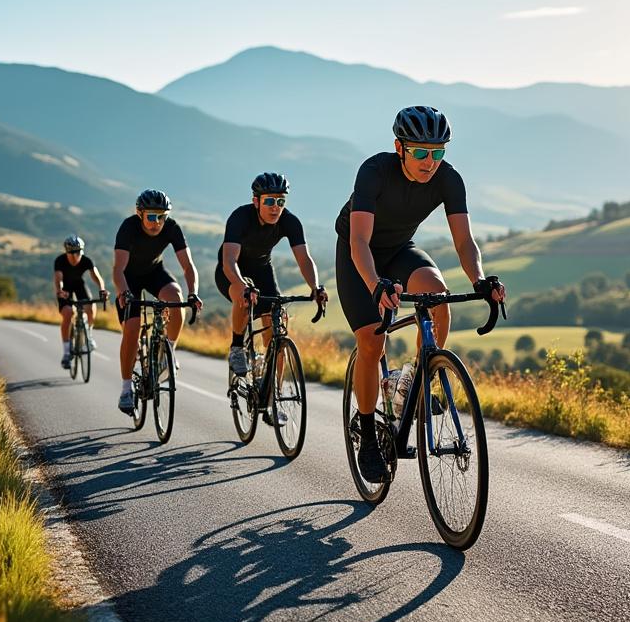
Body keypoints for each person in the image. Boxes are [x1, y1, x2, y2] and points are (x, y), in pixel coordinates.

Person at [336, 106, 506, 483]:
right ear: (400, 148)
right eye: (420, 152)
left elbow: (464, 242)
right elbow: (359, 241)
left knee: (438, 298)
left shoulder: (448, 179)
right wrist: (375, 284)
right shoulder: (374, 171)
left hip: (399, 250)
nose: (430, 162)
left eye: (438, 152)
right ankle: (368, 435)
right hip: (358, 255)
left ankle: (413, 382)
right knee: (372, 341)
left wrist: (480, 280)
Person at [215, 172, 328, 424]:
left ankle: (273, 395)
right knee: (244, 297)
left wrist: (315, 286)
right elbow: (229, 260)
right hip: (232, 271)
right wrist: (242, 284)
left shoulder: (290, 221)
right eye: (269, 201)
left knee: (277, 327)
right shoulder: (240, 217)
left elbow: (304, 259)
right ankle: (237, 347)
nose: (275, 207)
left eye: (280, 201)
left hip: (263, 270)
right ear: (256, 201)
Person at [113, 189, 202, 414]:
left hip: (154, 272)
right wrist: (124, 292)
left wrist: (193, 293)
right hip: (129, 279)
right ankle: (126, 389)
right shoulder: (128, 227)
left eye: (162, 216)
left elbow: (188, 266)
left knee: (176, 299)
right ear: (140, 214)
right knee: (132, 329)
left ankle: (167, 353)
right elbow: (118, 269)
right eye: (151, 216)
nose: (157, 222)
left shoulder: (172, 228)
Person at [53, 235, 107, 369]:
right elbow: (59, 279)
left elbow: (97, 277)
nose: (75, 255)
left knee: (91, 307)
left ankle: (89, 336)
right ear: (67, 252)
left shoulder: (86, 260)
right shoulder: (60, 261)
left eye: (78, 252)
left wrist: (102, 290)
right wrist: (60, 290)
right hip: (65, 289)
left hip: (79, 285)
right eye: (72, 253)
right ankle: (66, 352)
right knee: (68, 313)